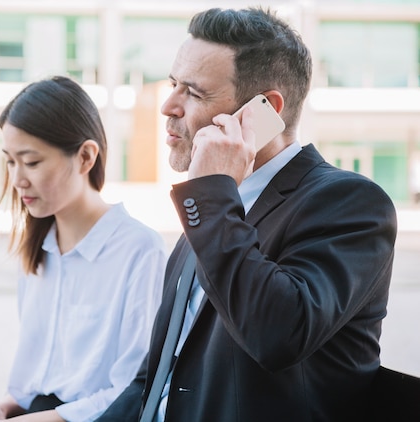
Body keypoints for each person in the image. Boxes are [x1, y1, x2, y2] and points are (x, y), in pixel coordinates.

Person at [97, 7, 397, 422]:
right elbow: (156, 379)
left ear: (264, 111)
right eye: (173, 85)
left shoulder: (349, 203)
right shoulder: (209, 212)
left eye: (194, 93)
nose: (167, 106)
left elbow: (279, 334)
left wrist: (209, 197)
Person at [0, 76, 167, 422]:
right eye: (10, 161)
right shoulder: (38, 250)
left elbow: (131, 393)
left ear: (85, 157)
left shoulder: (139, 251)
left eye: (31, 162)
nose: (18, 179)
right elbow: (28, 387)